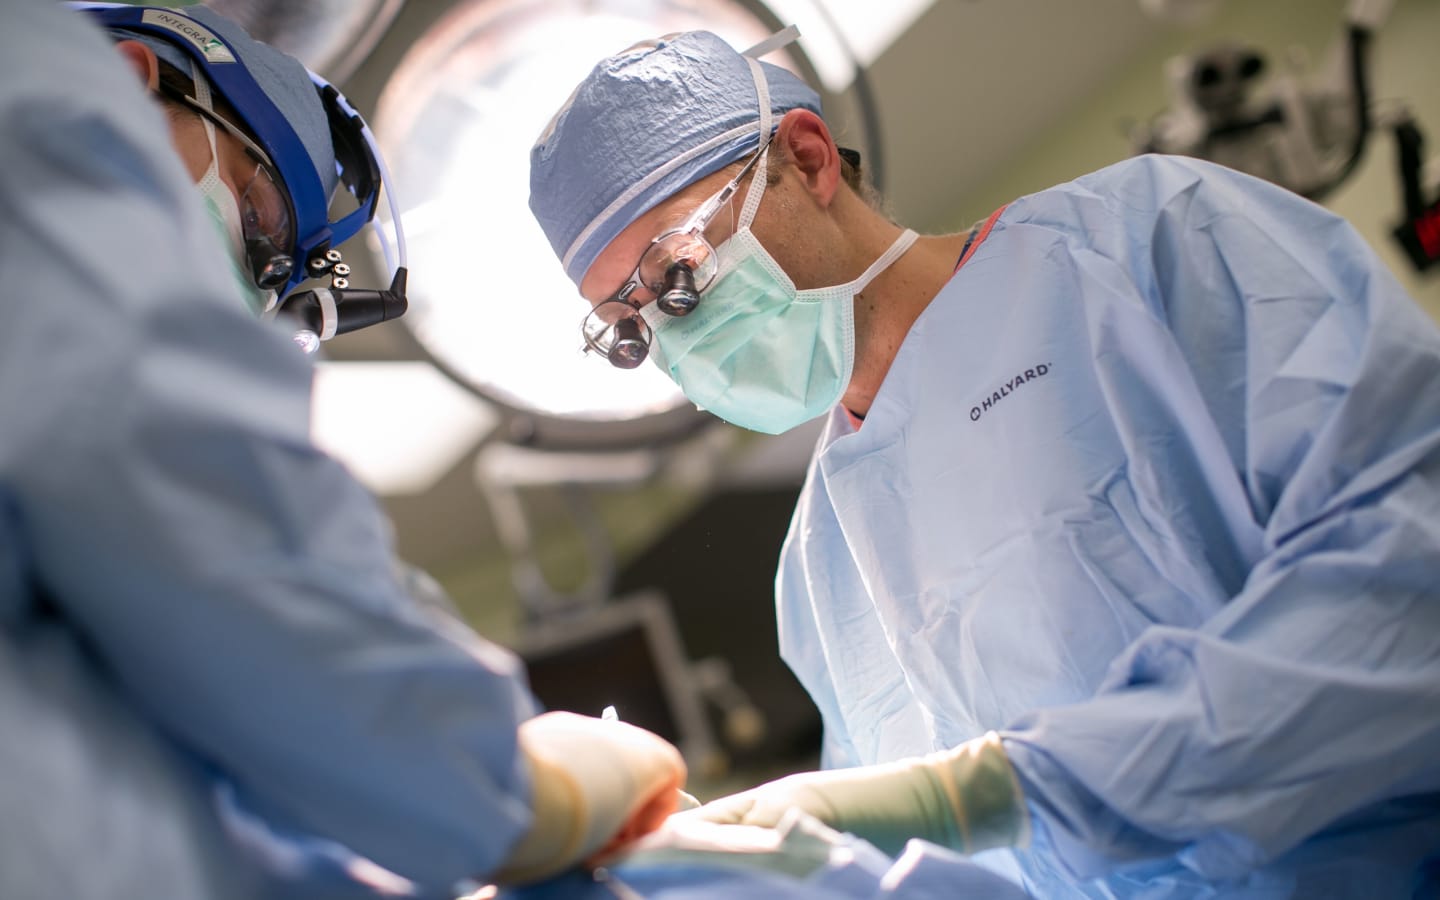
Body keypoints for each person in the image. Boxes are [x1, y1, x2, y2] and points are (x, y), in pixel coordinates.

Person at [528, 27, 1440, 898]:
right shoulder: (821, 564)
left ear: (806, 159)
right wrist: (755, 870)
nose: (675, 334)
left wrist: (984, 795)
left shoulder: (1149, 249)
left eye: (680, 270)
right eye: (633, 323)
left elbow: (1405, 583)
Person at [0, 3, 687, 898]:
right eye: (256, 214)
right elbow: (219, 539)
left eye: (272, 281)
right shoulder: (40, 82)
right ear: (132, 81)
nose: (249, 286)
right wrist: (521, 786)